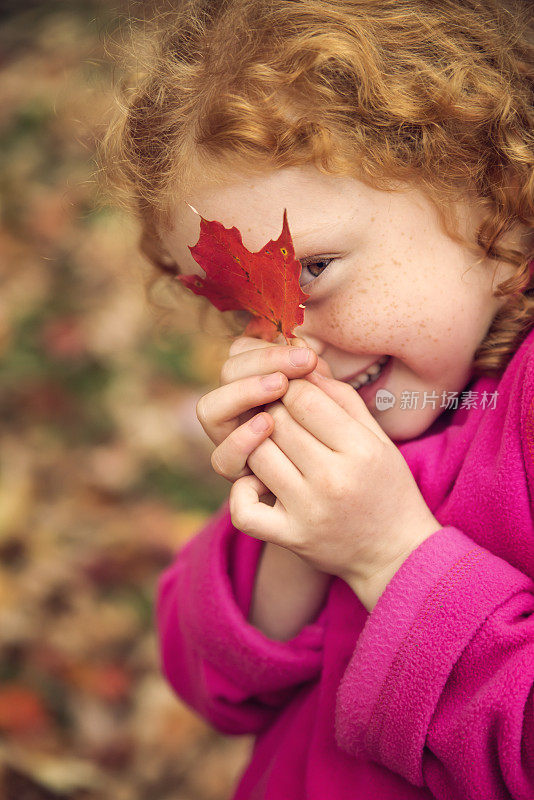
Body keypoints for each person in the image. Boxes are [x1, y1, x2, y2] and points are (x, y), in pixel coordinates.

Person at [100, 0, 534, 797]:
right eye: (245, 305)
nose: (288, 340)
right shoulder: (363, 411)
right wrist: (289, 536)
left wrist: (387, 557)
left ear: (496, 209)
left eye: (311, 270)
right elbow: (216, 692)